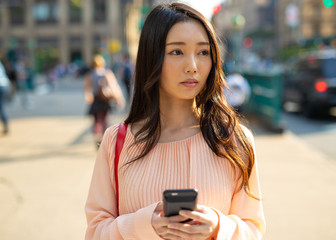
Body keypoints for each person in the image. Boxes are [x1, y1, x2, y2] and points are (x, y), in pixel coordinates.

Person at [85, 3, 265, 240]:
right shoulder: (116, 142)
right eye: (177, 52)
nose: (192, 66)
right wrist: (143, 224)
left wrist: (219, 227)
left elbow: (254, 231)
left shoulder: (235, 140)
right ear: (152, 57)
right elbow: (95, 232)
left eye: (203, 52)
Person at [84, 54, 125, 149]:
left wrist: (88, 96)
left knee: (97, 121)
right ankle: (105, 140)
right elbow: (114, 87)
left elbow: (87, 88)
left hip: (96, 100)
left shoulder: (89, 74)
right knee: (106, 120)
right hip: (106, 100)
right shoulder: (107, 73)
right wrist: (119, 99)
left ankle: (98, 138)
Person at [0, 60, 10, 135]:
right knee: (3, 106)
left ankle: (6, 125)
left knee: (2, 106)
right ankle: (6, 125)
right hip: (5, 85)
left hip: (1, 86)